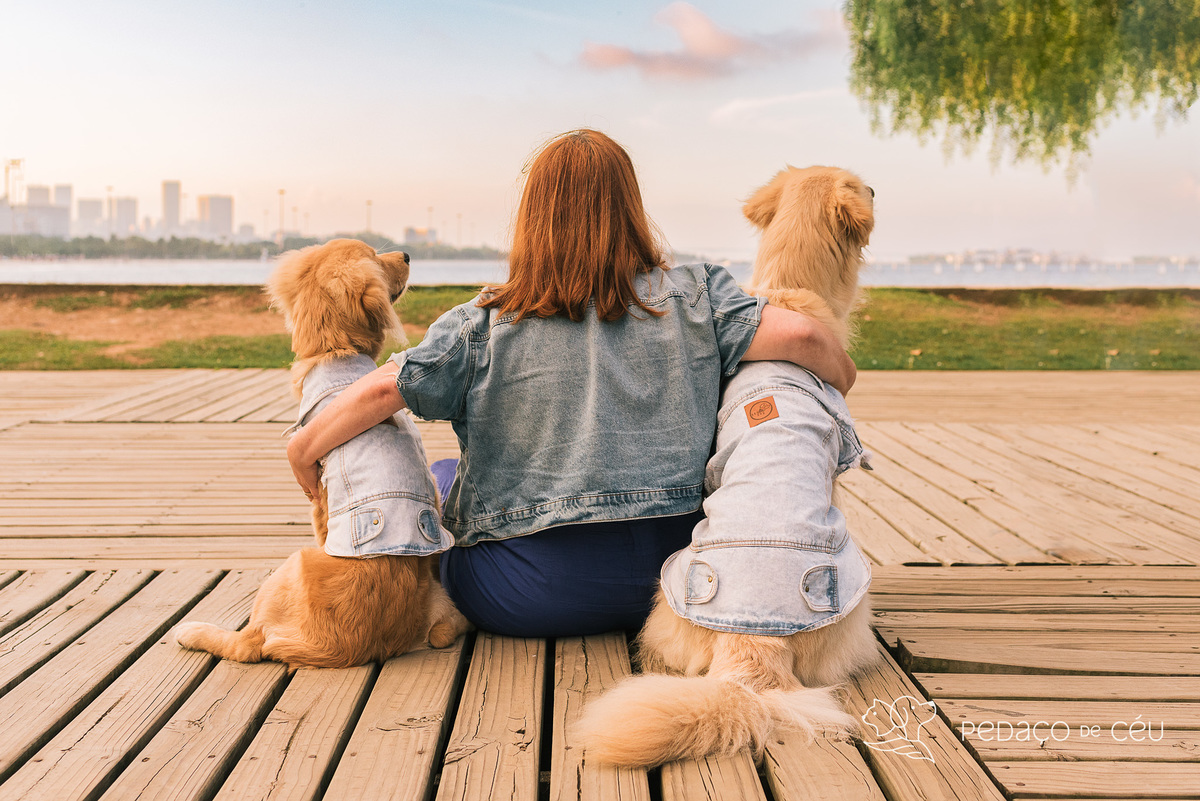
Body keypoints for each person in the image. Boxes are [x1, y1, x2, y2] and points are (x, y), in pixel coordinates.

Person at [287, 129, 856, 638]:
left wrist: (304, 447)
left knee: (442, 480)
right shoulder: (697, 296)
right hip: (681, 587)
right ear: (632, 207)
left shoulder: (483, 322)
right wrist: (843, 379)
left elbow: (384, 391)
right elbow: (803, 339)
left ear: (533, 218)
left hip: (528, 599)